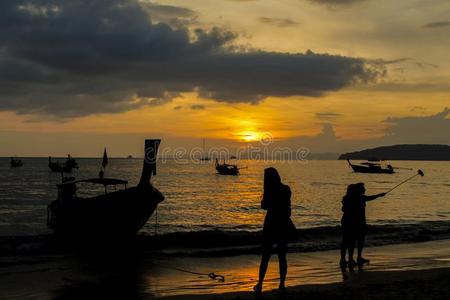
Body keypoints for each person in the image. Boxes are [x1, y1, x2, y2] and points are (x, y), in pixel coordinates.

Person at [254, 167, 293, 294]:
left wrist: (266, 191)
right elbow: (288, 210)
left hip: (271, 223)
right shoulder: (286, 189)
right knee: (282, 255)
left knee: (265, 256)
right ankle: (282, 284)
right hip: (283, 223)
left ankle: (260, 283)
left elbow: (264, 205)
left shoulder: (270, 191)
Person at [341, 183, 386, 270]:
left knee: (358, 240)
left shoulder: (360, 198)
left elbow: (370, 197)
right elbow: (344, 209)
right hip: (350, 223)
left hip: (359, 222)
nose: (365, 190)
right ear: (358, 190)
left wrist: (379, 195)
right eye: (363, 188)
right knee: (350, 241)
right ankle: (347, 259)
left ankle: (356, 258)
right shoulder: (349, 199)